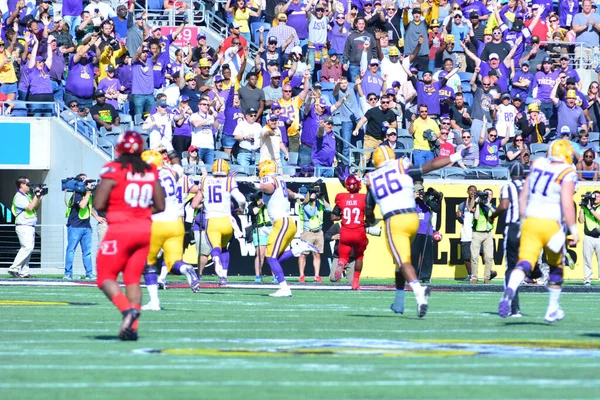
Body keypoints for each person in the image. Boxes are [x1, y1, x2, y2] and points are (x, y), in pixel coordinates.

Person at [365, 145, 470, 317]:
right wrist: (456, 156)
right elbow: (428, 167)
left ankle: (419, 291)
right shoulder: (401, 165)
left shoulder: (372, 178)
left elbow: (368, 209)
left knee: (403, 262)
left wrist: (369, 221)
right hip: (413, 218)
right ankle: (399, 301)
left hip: (395, 221)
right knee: (400, 262)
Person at [93, 131, 165, 341]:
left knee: (105, 277)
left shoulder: (114, 168)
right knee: (133, 280)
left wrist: (122, 210)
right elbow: (160, 205)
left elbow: (98, 204)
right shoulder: (150, 170)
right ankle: (132, 328)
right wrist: (139, 212)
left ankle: (127, 311)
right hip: (144, 230)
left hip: (120, 229)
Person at [498, 139, 579, 322]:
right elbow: (567, 202)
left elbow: (524, 196)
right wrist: (573, 230)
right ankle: (552, 309)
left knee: (524, 262)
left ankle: (509, 290)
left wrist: (522, 219)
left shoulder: (538, 165)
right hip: (551, 223)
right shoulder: (567, 171)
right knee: (556, 266)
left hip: (530, 221)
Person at [140, 150, 201, 311]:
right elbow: (178, 164)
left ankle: (154, 302)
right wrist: (172, 151)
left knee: (149, 263)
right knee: (173, 261)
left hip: (158, 223)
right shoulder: (172, 173)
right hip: (176, 223)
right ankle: (185, 268)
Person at [256, 159, 313, 297]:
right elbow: (289, 192)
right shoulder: (279, 179)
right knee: (275, 258)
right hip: (287, 223)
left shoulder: (269, 179)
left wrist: (258, 186)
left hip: (281, 223)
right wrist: (298, 195)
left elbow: (267, 187)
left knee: (270, 256)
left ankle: (284, 288)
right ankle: (298, 250)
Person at [191, 159, 247, 286]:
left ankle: (216, 260)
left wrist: (205, 204)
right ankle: (224, 277)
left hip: (212, 221)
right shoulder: (229, 180)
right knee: (224, 248)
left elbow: (195, 203)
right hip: (227, 221)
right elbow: (241, 199)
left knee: (215, 248)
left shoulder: (204, 180)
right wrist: (241, 209)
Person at [490, 163, 526, 317]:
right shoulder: (529, 186)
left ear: (510, 173)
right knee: (526, 265)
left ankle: (513, 307)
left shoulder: (508, 187)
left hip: (512, 228)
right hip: (529, 229)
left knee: (511, 268)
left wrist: (492, 216)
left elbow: (504, 205)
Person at [331, 173, 367, 290]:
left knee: (343, 257)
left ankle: (341, 263)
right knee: (359, 257)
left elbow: (333, 217)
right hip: (358, 232)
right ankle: (355, 282)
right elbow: (369, 215)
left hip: (345, 232)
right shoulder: (364, 198)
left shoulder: (341, 197)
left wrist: (344, 216)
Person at [63, 174, 101, 280]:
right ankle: (68, 273)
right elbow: (82, 205)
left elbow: (89, 207)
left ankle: (89, 273)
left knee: (87, 252)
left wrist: (96, 217)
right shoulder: (77, 194)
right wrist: (88, 192)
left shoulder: (87, 194)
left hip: (86, 227)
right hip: (75, 226)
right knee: (71, 250)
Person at [7, 177, 44, 278]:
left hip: (29, 225)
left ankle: (24, 272)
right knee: (27, 247)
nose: (29, 186)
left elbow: (35, 207)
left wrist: (39, 198)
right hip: (23, 225)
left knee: (29, 248)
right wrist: (36, 195)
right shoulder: (19, 197)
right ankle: (13, 268)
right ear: (21, 185)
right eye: (27, 184)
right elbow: (30, 207)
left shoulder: (27, 195)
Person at [298, 181, 332, 283]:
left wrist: (322, 199)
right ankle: (302, 275)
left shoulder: (320, 202)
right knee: (304, 254)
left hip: (319, 232)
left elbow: (329, 209)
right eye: (315, 191)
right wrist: (312, 200)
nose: (316, 193)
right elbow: (312, 212)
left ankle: (316, 275)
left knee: (317, 254)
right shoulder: (305, 203)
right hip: (308, 231)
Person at [471, 188, 497, 284]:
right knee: (474, 256)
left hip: (488, 233)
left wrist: (488, 205)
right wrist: (477, 204)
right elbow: (476, 217)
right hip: (477, 232)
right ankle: (474, 277)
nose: (487, 196)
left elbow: (495, 213)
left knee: (489, 257)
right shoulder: (477, 204)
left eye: (489, 194)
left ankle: (487, 277)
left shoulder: (491, 206)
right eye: (486, 194)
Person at [248, 194, 272, 283]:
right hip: (259, 229)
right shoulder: (252, 205)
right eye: (259, 198)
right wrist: (261, 204)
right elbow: (253, 212)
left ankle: (275, 275)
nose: (262, 199)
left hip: (270, 229)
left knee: (272, 254)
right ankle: (257, 275)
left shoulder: (270, 204)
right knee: (260, 254)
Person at [578, 191, 600, 286]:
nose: (596, 198)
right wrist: (583, 207)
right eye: (595, 196)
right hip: (588, 237)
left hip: (599, 237)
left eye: (598, 196)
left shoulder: (595, 207)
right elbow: (581, 221)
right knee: (587, 259)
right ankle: (587, 279)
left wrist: (590, 208)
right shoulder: (586, 207)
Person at [456, 185, 476, 281]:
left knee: (483, 253)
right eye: (471, 190)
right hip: (466, 233)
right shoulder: (462, 205)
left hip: (477, 233)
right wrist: (459, 217)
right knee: (466, 256)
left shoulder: (479, 203)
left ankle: (488, 272)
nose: (472, 192)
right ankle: (470, 274)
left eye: (474, 191)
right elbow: (461, 220)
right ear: (467, 191)